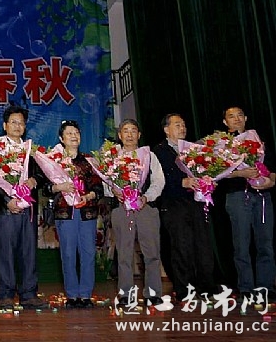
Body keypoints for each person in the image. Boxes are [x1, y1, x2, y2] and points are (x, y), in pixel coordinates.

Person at [153, 113, 217, 301]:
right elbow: (157, 179)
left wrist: (208, 181)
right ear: (166, 129)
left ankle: (207, 286)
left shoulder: (193, 149)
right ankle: (184, 289)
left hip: (196, 201)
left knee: (202, 245)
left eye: (183, 125)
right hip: (173, 203)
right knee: (182, 246)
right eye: (177, 125)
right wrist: (181, 182)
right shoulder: (159, 151)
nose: (182, 128)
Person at [0, 106, 49, 311]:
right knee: (5, 253)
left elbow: (43, 174)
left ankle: (28, 294)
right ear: (5, 125)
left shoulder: (31, 150)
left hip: (28, 208)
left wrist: (34, 179)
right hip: (6, 209)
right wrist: (8, 200)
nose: (18, 126)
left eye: (21, 123)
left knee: (29, 252)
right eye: (13, 122)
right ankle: (6, 295)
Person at [105, 119, 165, 306]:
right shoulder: (111, 158)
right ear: (120, 135)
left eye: (133, 131)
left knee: (151, 252)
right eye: (125, 131)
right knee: (124, 253)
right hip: (121, 208)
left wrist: (146, 197)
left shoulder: (149, 156)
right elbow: (105, 184)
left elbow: (159, 181)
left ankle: (153, 293)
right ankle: (126, 294)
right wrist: (113, 190)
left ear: (139, 135)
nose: (129, 134)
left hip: (145, 208)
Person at [217, 106, 275, 298]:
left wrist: (270, 181)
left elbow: (271, 165)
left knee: (265, 243)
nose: (236, 119)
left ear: (246, 118)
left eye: (240, 115)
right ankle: (246, 288)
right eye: (231, 116)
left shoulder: (258, 139)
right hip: (237, 195)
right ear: (225, 122)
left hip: (262, 195)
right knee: (241, 244)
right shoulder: (221, 143)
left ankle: (266, 286)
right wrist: (240, 173)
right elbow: (216, 173)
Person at [44, 120, 103, 309]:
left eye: (76, 132)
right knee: (68, 254)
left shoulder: (89, 162)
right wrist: (59, 187)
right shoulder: (54, 162)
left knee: (88, 253)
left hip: (87, 212)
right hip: (65, 213)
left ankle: (85, 295)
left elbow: (99, 188)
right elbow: (46, 189)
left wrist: (89, 195)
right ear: (61, 139)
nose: (74, 136)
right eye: (69, 133)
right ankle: (71, 295)